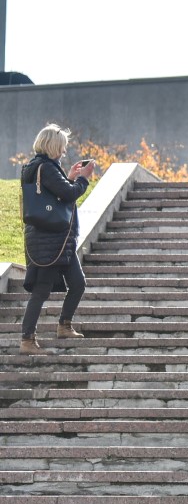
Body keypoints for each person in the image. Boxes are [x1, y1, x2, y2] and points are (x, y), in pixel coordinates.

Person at [19, 123, 96, 355]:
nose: (64, 151)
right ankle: (27, 340)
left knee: (78, 283)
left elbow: (58, 194)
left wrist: (70, 176)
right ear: (53, 145)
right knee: (41, 290)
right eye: (62, 147)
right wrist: (83, 179)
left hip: (57, 239)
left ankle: (64, 325)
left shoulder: (36, 167)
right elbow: (70, 194)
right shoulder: (47, 168)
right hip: (50, 240)